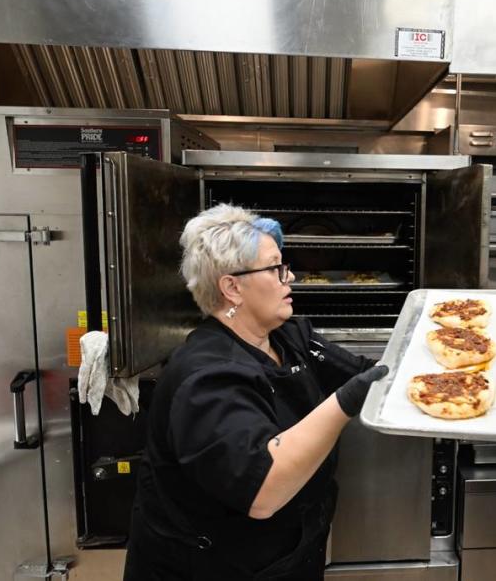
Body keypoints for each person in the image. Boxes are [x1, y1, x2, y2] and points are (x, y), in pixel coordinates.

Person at [123, 204, 388, 580]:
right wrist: (344, 402)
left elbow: (363, 373)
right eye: (276, 268)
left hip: (286, 557)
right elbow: (262, 489)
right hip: (212, 568)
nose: (290, 276)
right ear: (232, 287)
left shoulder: (289, 337)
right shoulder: (204, 379)